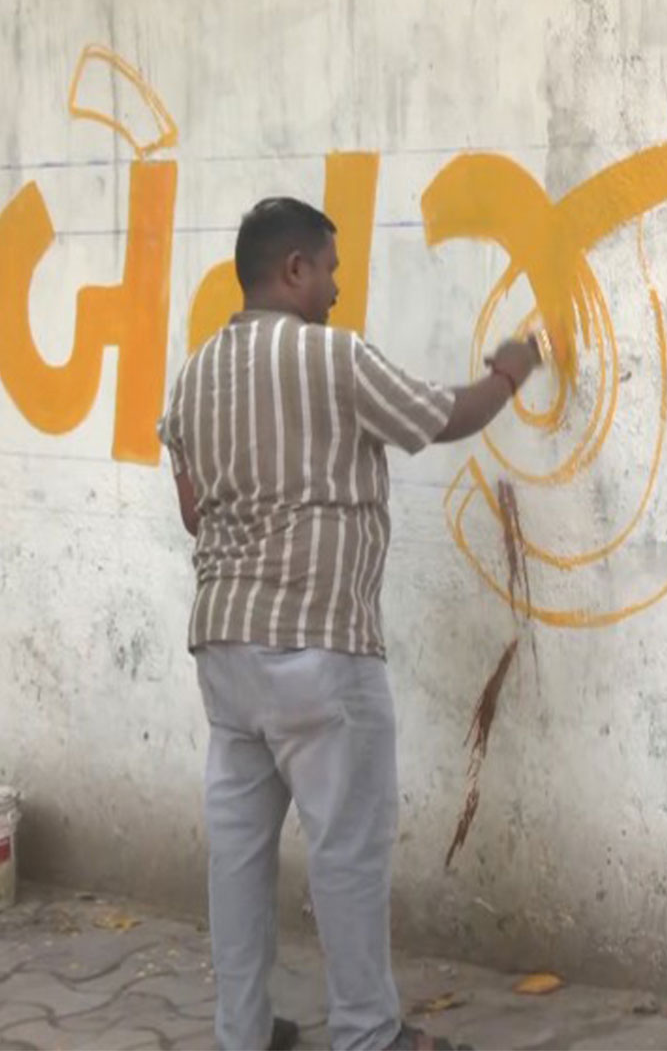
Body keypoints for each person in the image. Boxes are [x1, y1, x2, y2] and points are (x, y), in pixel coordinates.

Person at [158, 197, 542, 1051]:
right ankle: (368, 1034)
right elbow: (442, 417)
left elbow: (193, 512)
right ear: (293, 269)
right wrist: (512, 369)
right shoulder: (332, 357)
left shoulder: (194, 376)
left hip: (224, 649)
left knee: (239, 858)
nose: (336, 287)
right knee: (347, 855)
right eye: (329, 269)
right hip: (321, 647)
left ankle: (244, 1030)